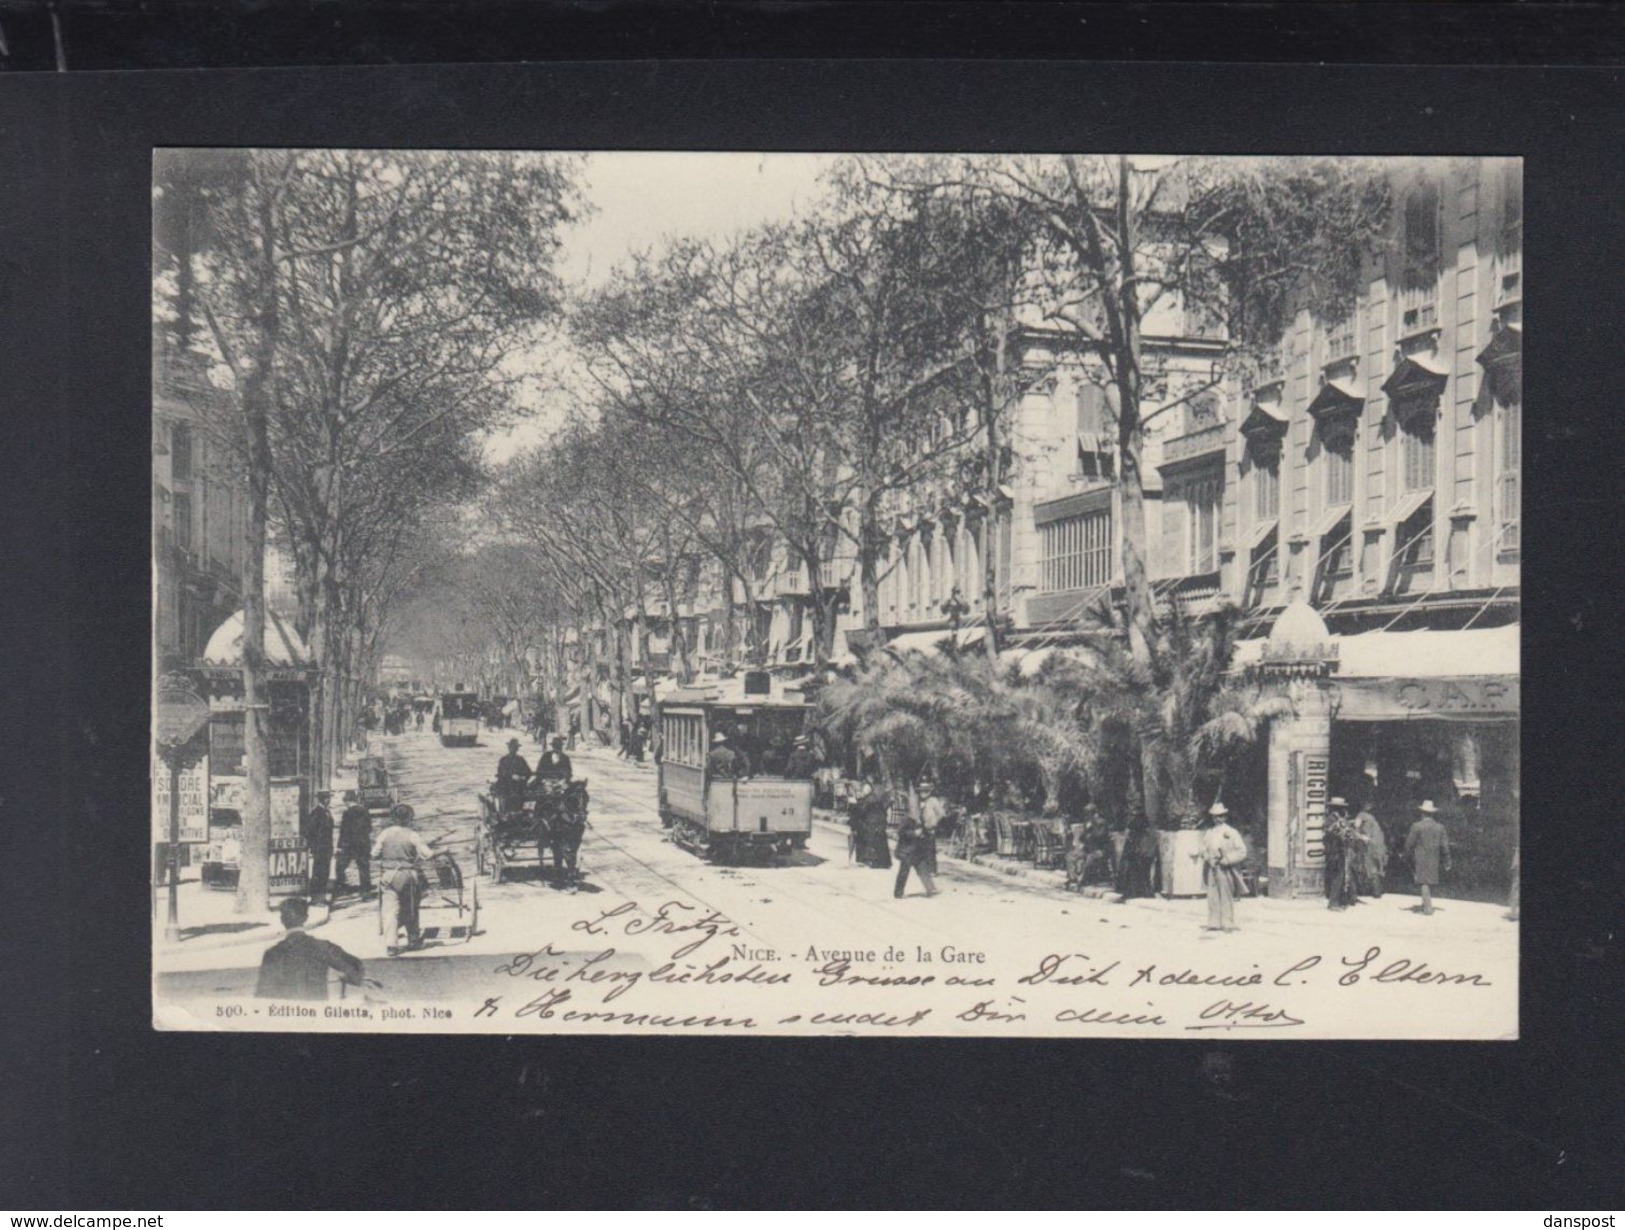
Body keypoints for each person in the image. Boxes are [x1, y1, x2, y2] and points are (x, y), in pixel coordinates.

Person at [255, 897, 368, 1001]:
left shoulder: (272, 953)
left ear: (282, 920)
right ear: (306, 918)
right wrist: (349, 978)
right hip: (316, 1012)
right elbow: (355, 965)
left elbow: (262, 995)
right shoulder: (323, 947)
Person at [372, 803, 436, 953]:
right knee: (411, 907)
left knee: (389, 911)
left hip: (388, 875)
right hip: (407, 875)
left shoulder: (385, 834)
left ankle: (391, 945)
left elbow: (374, 854)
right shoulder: (412, 835)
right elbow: (428, 855)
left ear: (393, 818)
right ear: (409, 818)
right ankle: (413, 939)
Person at [1199, 802, 1248, 932]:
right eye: (1215, 816)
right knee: (1212, 895)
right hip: (1212, 866)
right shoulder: (1209, 832)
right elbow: (1203, 848)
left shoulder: (1231, 832)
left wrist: (1228, 859)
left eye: (1221, 816)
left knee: (1226, 895)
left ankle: (1228, 923)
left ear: (1225, 817)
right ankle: (1214, 922)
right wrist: (1207, 857)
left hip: (1226, 867)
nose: (1218, 819)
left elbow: (1242, 851)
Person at [894, 778, 942, 898]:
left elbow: (929, 823)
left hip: (917, 848)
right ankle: (898, 892)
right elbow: (901, 833)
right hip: (907, 850)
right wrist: (914, 833)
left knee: (922, 868)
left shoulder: (919, 817)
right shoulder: (906, 819)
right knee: (904, 872)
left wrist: (927, 827)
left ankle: (930, 889)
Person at [1404, 800, 1451, 915]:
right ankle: (1425, 903)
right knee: (1427, 881)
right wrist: (1447, 860)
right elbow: (1445, 845)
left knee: (1423, 881)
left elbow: (1409, 844)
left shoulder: (1417, 826)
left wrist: (1406, 854)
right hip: (1434, 857)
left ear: (1422, 813)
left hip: (1420, 857)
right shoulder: (1440, 827)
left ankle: (1428, 907)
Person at [332, 790, 372, 900]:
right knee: (364, 868)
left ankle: (342, 887)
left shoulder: (347, 813)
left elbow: (344, 831)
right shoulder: (364, 811)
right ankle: (365, 892)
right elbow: (369, 828)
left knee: (340, 866)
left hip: (350, 846)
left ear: (347, 801)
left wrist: (340, 845)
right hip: (363, 845)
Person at [1323, 796, 1362, 910]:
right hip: (1334, 851)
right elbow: (1340, 833)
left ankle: (1339, 900)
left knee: (1340, 875)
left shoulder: (1336, 819)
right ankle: (1333, 903)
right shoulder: (1332, 820)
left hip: (1337, 851)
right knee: (1338, 876)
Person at [300, 790, 335, 901]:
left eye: (328, 798)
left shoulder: (326, 812)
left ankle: (322, 897)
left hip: (327, 848)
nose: (328, 800)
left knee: (325, 873)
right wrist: (314, 846)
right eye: (325, 798)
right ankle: (316, 898)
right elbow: (309, 831)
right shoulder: (317, 813)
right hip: (320, 849)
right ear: (321, 799)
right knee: (318, 873)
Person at [1354, 800, 1387, 898]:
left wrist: (1359, 836)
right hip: (1378, 843)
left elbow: (1356, 827)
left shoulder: (1360, 815)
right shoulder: (1374, 819)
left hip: (1368, 843)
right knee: (1376, 866)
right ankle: (1377, 890)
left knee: (1367, 866)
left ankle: (1370, 890)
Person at [495, 737, 532, 814]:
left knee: (529, 796)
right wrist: (512, 776)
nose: (514, 749)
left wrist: (523, 777)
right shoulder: (504, 760)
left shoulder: (521, 760)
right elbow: (501, 773)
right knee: (505, 796)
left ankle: (525, 813)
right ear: (509, 748)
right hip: (506, 787)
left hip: (519, 787)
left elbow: (528, 772)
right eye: (512, 747)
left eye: (515, 748)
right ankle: (505, 813)